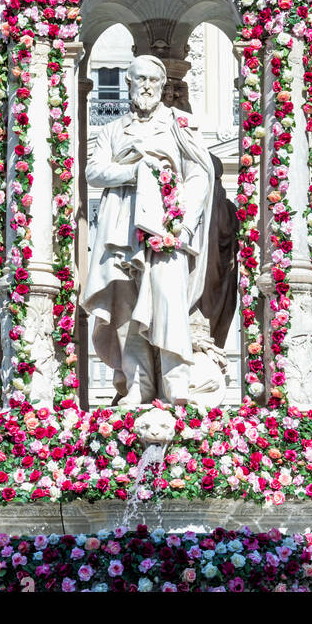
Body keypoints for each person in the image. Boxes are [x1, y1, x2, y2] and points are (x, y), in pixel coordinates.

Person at [83, 55, 215, 405]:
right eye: (139, 79)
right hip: (120, 228)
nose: (146, 86)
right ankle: (137, 383)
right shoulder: (112, 130)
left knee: (169, 300)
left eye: (153, 80)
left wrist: (185, 225)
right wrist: (136, 171)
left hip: (166, 227)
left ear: (163, 86)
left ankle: (176, 381)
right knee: (125, 306)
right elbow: (94, 172)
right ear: (127, 83)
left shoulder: (179, 125)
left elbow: (199, 174)